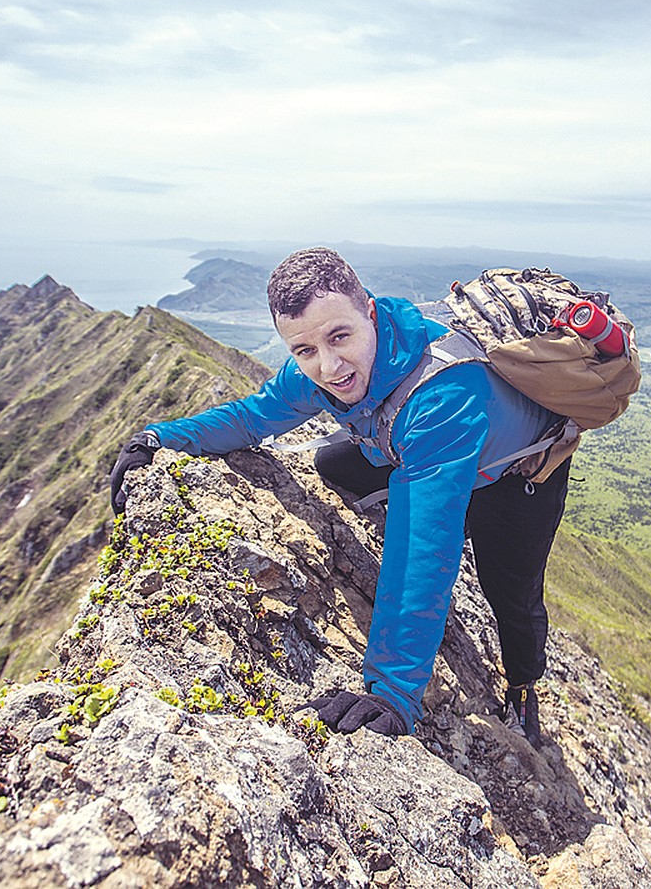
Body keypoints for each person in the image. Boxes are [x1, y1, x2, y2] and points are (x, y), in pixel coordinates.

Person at [110, 247, 570, 747]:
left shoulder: (444, 396)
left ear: (369, 313)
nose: (329, 366)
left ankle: (524, 685)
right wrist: (160, 438)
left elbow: (422, 552)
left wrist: (392, 692)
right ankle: (441, 500)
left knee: (513, 596)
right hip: (421, 449)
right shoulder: (324, 364)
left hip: (513, 474)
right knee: (332, 463)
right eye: (304, 350)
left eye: (340, 337)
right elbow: (251, 417)